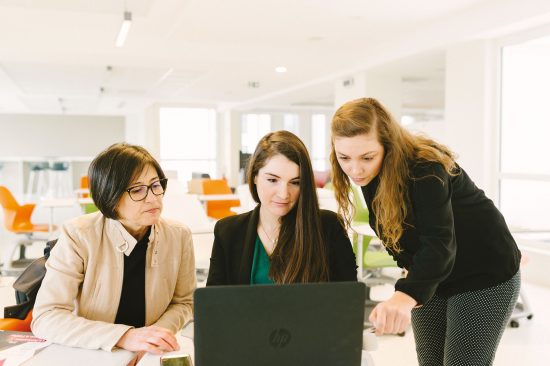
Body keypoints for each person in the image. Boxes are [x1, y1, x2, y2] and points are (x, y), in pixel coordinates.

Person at [330, 97, 521, 365]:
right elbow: (395, 234)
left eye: (367, 157)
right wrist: (409, 273)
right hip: (433, 271)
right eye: (344, 158)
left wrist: (404, 295)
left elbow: (439, 242)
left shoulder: (425, 167)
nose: (355, 169)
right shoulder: (371, 174)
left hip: (484, 271)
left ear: (388, 144)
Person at [32, 143, 196, 354]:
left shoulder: (178, 235)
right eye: (137, 190)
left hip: (150, 354)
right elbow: (47, 317)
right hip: (93, 350)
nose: (153, 197)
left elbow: (184, 302)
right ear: (110, 197)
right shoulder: (78, 234)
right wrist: (125, 336)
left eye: (156, 185)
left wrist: (153, 338)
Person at [206, 130, 357, 285]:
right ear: (254, 177)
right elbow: (213, 304)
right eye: (272, 180)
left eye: (295, 182)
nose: (284, 194)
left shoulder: (328, 227)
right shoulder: (228, 231)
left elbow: (349, 297)